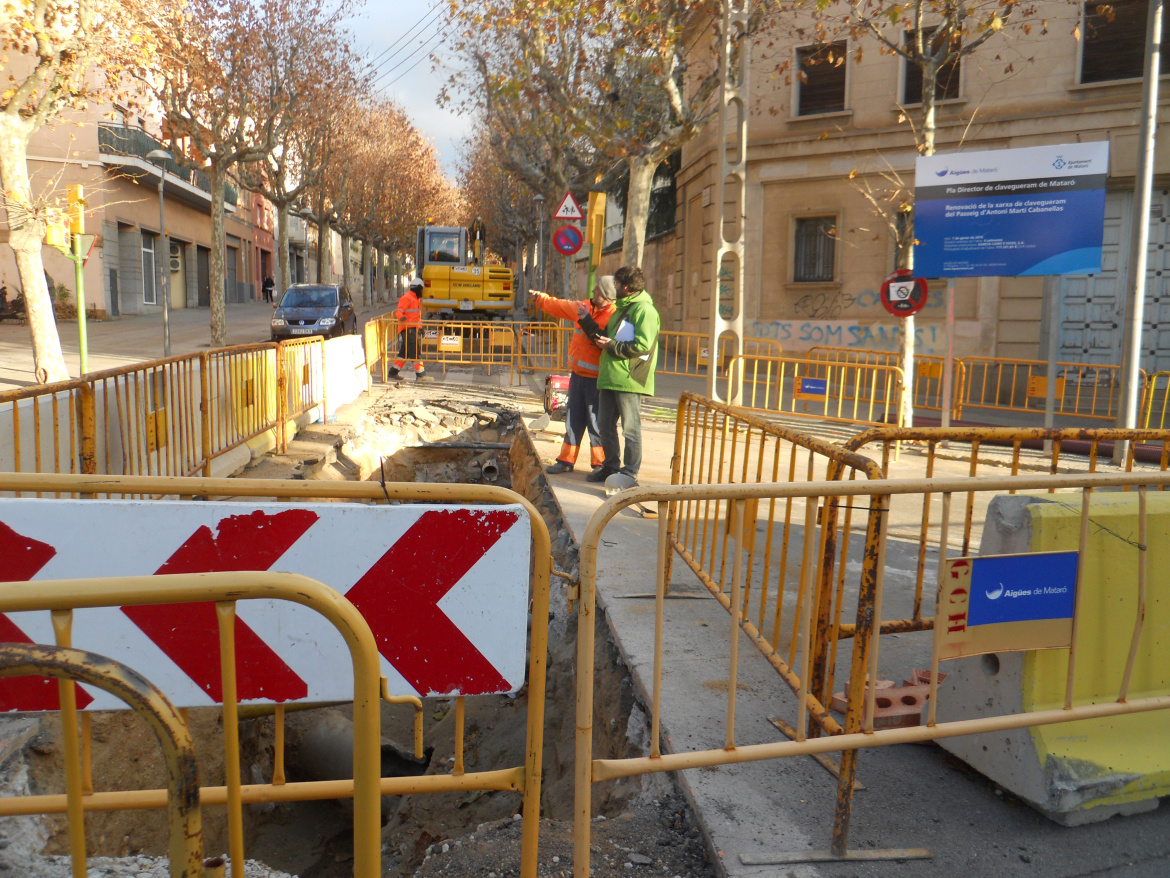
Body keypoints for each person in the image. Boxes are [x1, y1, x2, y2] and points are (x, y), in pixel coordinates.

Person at [531, 276, 617, 474]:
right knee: (573, 420)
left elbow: (602, 341)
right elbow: (560, 306)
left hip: (597, 380)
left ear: (606, 296)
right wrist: (540, 299)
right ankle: (566, 460)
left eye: (598, 290)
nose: (593, 291)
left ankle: (599, 465)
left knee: (596, 423)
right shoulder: (584, 307)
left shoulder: (613, 317)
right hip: (578, 376)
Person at [588, 266, 661, 484]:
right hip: (612, 376)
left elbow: (643, 345)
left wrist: (612, 345)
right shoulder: (621, 309)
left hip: (629, 378)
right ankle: (610, 466)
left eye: (618, 284)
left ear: (626, 287)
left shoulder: (644, 310)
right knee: (604, 425)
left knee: (630, 429)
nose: (615, 287)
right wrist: (588, 323)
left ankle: (630, 472)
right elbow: (611, 337)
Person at [389, 277, 427, 381]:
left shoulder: (416, 299)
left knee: (404, 353)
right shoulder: (406, 298)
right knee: (414, 351)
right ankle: (421, 375)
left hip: (413, 328)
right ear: (418, 288)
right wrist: (401, 317)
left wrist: (420, 328)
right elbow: (399, 311)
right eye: (421, 289)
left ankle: (393, 372)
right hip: (407, 329)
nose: (422, 291)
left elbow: (416, 317)